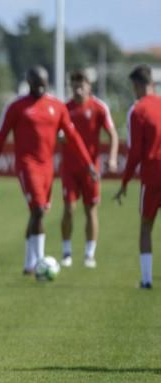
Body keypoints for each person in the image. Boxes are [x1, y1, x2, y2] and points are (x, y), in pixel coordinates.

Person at [0, 66, 98, 275]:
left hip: (48, 167)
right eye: (35, 83)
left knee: (37, 213)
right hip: (27, 165)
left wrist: (88, 164)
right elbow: (0, 138)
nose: (39, 87)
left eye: (43, 84)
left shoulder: (57, 107)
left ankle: (29, 263)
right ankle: (39, 263)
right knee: (38, 209)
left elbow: (73, 138)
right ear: (28, 82)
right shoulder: (16, 107)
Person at [59, 70, 119, 268]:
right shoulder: (64, 108)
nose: (77, 88)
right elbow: (53, 132)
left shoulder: (99, 108)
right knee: (69, 209)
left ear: (89, 86)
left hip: (92, 169)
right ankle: (66, 252)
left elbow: (113, 134)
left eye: (81, 84)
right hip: (69, 168)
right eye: (74, 85)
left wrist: (111, 158)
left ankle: (89, 254)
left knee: (90, 210)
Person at [114, 65, 161, 289]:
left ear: (139, 85)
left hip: (152, 176)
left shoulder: (138, 110)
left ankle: (146, 279)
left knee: (146, 226)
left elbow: (134, 153)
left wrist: (124, 182)